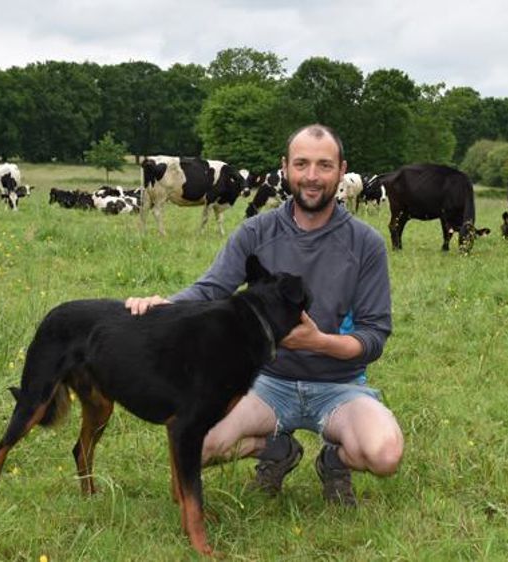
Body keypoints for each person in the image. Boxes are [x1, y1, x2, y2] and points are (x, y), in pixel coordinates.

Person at [126, 124, 403, 505]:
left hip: (339, 386)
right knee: (197, 444)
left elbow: (374, 336)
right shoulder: (256, 231)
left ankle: (334, 460)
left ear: (342, 171)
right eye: (301, 163)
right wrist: (166, 304)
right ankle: (278, 451)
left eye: (324, 165)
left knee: (384, 454)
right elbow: (212, 289)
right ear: (285, 168)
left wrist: (319, 342)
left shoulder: (365, 244)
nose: (311, 176)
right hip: (265, 381)